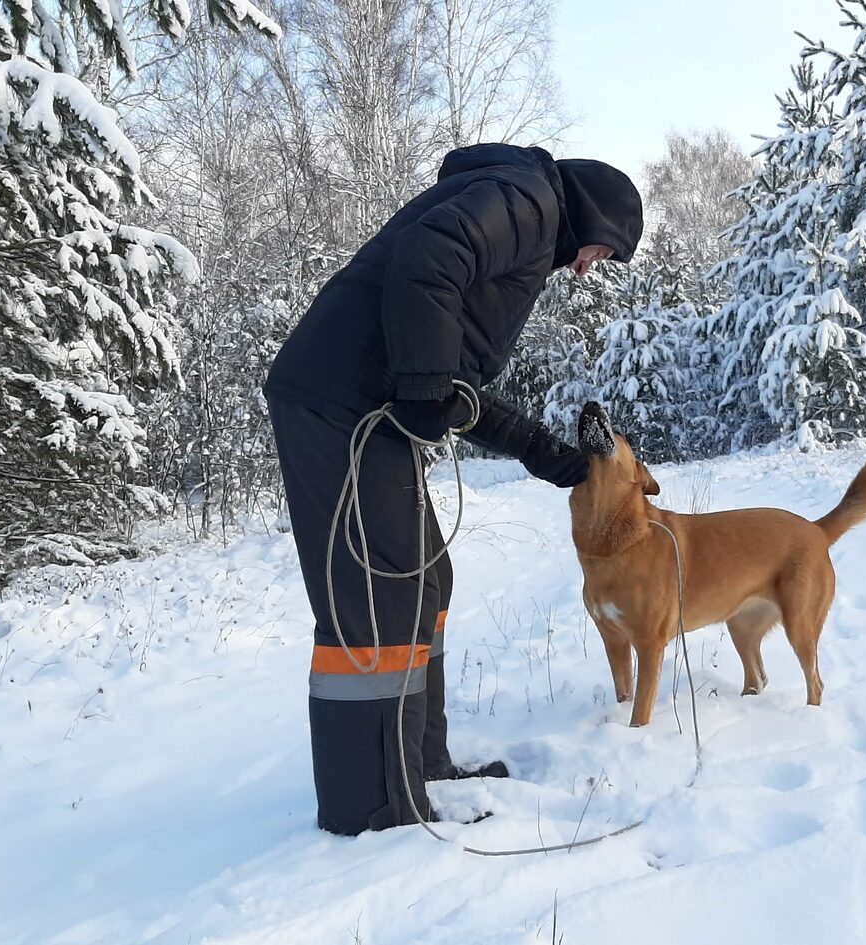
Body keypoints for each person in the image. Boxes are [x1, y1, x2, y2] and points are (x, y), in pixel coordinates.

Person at [262, 143, 644, 836]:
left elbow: (450, 388)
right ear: (594, 214)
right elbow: (428, 255)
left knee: (424, 579)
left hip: (366, 411)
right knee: (381, 595)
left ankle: (419, 764)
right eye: (604, 251)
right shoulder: (531, 199)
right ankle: (374, 807)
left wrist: (544, 452)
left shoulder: (524, 223)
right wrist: (422, 387)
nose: (591, 266)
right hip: (338, 404)